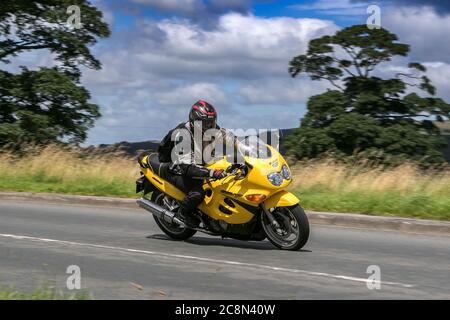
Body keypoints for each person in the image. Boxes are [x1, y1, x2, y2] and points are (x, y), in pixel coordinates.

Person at [157, 100, 237, 228]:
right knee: (198, 193)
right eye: (206, 123)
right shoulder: (183, 135)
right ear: (195, 121)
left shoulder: (210, 128)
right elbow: (187, 168)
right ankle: (183, 213)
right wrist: (212, 173)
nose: (210, 125)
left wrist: (245, 147)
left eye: (212, 121)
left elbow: (229, 138)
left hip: (198, 163)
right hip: (178, 168)